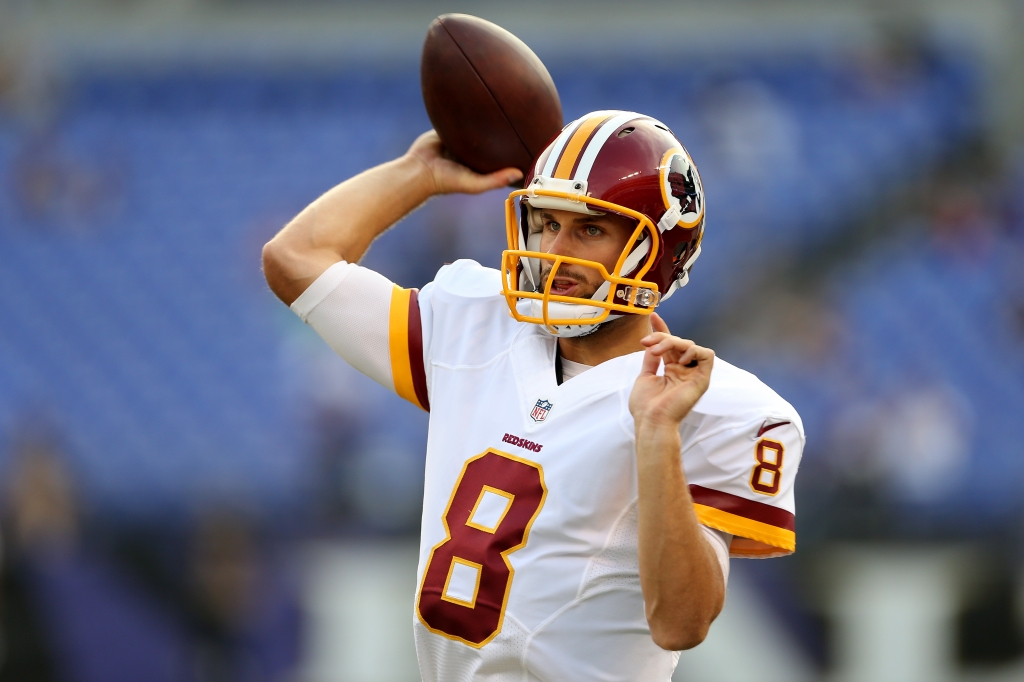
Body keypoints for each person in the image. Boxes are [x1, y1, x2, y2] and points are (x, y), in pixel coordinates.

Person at [262, 110, 803, 681]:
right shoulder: (478, 322)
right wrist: (417, 174)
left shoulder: (723, 407)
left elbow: (681, 624)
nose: (555, 250)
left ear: (658, 250)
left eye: (589, 229)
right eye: (546, 223)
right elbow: (296, 260)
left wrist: (657, 436)